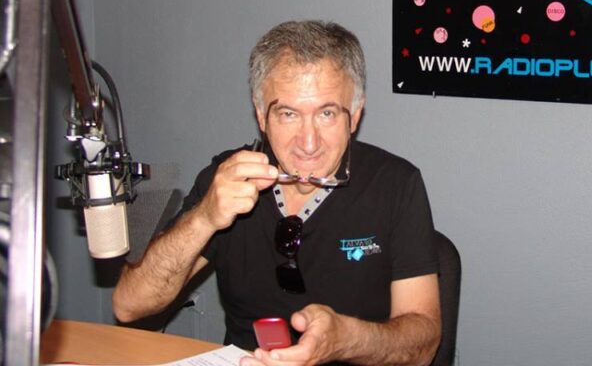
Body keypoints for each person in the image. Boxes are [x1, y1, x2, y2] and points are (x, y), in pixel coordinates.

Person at [112, 20, 441, 366]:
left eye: (327, 113)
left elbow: (424, 344)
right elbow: (129, 305)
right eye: (288, 114)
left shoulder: (395, 185)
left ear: (355, 116)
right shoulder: (230, 179)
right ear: (261, 117)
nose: (308, 143)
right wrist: (204, 218)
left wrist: (345, 339)